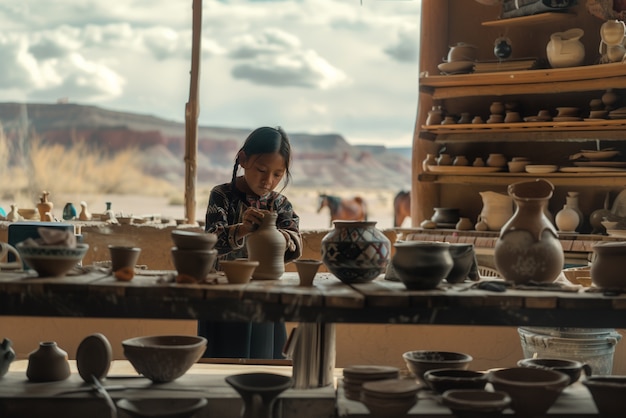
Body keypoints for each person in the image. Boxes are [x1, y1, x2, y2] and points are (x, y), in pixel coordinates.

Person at [201, 126, 302, 359]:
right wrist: (243, 229)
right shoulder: (221, 195)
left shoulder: (281, 204)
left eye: (278, 174)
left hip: (265, 298)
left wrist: (283, 237)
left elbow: (296, 243)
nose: (268, 181)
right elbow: (211, 242)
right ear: (243, 159)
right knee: (222, 360)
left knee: (263, 360)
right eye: (261, 170)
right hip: (223, 297)